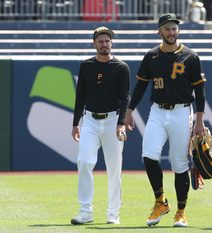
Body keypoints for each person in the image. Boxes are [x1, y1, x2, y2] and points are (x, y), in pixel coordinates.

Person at [124, 13, 206, 227]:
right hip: (158, 111)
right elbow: (141, 85)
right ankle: (161, 201)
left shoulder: (190, 55)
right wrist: (130, 109)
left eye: (174, 28)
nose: (171, 32)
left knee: (179, 164)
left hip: (182, 111)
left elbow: (200, 90)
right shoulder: (152, 55)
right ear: (159, 31)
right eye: (167, 28)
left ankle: (181, 211)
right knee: (148, 155)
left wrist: (199, 119)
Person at [70, 26, 130, 225]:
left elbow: (124, 99)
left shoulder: (121, 67)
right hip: (89, 120)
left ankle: (113, 212)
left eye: (107, 41)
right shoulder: (86, 65)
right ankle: (86, 211)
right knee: (85, 161)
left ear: (111, 43)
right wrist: (75, 123)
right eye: (100, 41)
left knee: (114, 168)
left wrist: (121, 123)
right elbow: (80, 96)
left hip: (113, 120)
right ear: (94, 43)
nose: (104, 44)